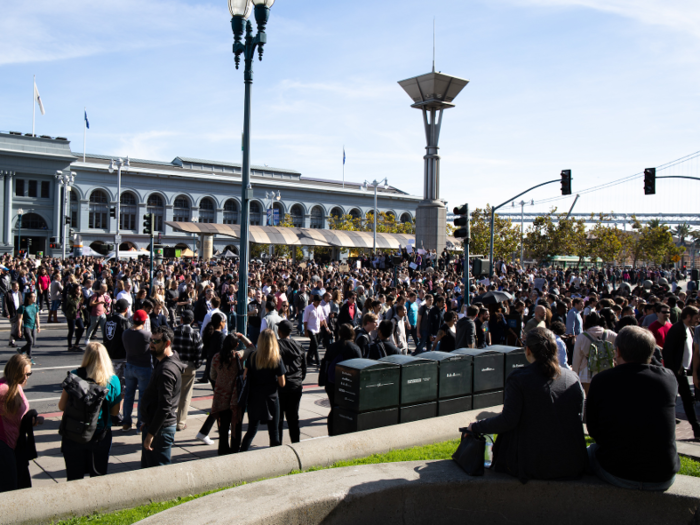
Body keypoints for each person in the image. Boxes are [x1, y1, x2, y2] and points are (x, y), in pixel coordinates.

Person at [469, 327, 587, 483]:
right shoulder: (572, 377)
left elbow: (508, 420)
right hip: (571, 461)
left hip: (533, 464)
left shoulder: (519, 378)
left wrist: (475, 427)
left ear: (528, 350)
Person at [587, 326, 679, 490]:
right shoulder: (668, 379)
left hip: (616, 471)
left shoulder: (602, 380)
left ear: (618, 352)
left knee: (590, 451)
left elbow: (593, 430)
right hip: (662, 474)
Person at [58, 342, 121, 481]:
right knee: (98, 477)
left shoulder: (74, 376)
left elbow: (62, 406)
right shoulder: (113, 380)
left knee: (74, 478)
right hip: (100, 434)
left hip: (74, 432)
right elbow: (115, 413)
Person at [141, 326, 185, 468]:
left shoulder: (166, 371)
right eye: (151, 340)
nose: (151, 344)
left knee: (159, 472)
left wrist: (151, 434)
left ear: (167, 343)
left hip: (161, 430)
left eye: (156, 341)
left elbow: (164, 406)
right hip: (155, 424)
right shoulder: (165, 360)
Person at [240, 329, 286, 451]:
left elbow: (245, 376)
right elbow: (282, 383)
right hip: (271, 398)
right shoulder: (276, 358)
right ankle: (275, 457)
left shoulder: (252, 356)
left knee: (251, 430)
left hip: (254, 397)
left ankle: (241, 453)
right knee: (274, 431)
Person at [0, 354, 41, 493]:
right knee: (9, 487)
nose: (26, 377)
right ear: (14, 372)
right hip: (3, 445)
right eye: (24, 374)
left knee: (19, 484)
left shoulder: (16, 385)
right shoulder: (3, 389)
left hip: (15, 444)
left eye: (29, 373)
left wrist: (30, 420)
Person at [662, 305, 700, 440]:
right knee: (685, 400)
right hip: (677, 372)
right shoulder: (677, 329)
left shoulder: (688, 329)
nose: (697, 320)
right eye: (696, 317)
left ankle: (696, 429)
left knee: (686, 400)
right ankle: (696, 428)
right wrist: (674, 370)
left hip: (682, 371)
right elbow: (668, 351)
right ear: (688, 316)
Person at [322, 323, 362, 436]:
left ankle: (332, 431)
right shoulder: (355, 348)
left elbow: (326, 365)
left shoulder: (332, 347)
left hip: (332, 383)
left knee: (334, 408)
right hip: (348, 385)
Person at [210, 333, 244, 455]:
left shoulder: (216, 358)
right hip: (235, 395)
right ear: (236, 345)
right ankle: (235, 448)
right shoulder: (238, 356)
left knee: (223, 426)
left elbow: (212, 376)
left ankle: (223, 449)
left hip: (221, 395)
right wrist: (242, 337)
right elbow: (251, 348)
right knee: (236, 423)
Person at [196, 313, 227, 445]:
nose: (225, 323)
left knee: (220, 402)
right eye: (224, 321)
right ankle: (204, 432)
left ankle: (222, 428)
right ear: (221, 323)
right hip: (217, 373)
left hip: (210, 371)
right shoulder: (221, 337)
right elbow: (222, 356)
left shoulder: (211, 335)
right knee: (219, 403)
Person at [172, 310, 204, 432]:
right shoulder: (195, 334)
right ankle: (180, 422)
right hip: (189, 365)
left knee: (172, 393)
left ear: (181, 319)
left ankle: (168, 419)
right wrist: (196, 365)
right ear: (192, 321)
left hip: (174, 365)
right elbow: (199, 352)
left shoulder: (174, 332)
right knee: (185, 395)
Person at [571, 311, 617, 394]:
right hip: (607, 369)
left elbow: (577, 357)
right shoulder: (611, 334)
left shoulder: (582, 336)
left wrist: (575, 374)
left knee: (590, 397)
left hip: (587, 371)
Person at [121, 310, 152, 432]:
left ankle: (126, 421)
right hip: (143, 367)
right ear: (144, 321)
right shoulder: (146, 335)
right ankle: (140, 423)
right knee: (142, 396)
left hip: (130, 365)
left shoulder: (125, 333)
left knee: (129, 394)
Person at [277, 320, 306, 444]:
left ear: (279, 332)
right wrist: (298, 379)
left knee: (278, 419)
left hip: (280, 385)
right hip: (295, 385)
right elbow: (304, 368)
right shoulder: (298, 346)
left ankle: (277, 444)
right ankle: (296, 442)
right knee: (293, 417)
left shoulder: (276, 345)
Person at [17, 291, 40, 365]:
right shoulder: (23, 307)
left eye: (35, 296)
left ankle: (22, 350)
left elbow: (37, 317)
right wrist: (19, 330)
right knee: (30, 341)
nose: (34, 298)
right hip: (26, 326)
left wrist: (38, 326)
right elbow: (20, 319)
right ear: (28, 298)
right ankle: (29, 358)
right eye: (32, 297)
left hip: (33, 326)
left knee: (33, 342)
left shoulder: (35, 306)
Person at [303, 294, 325, 366]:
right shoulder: (308, 308)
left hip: (317, 329)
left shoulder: (320, 308)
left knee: (313, 345)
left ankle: (308, 359)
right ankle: (318, 361)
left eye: (320, 302)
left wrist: (325, 327)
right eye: (317, 302)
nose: (319, 304)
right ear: (314, 301)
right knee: (315, 345)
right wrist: (306, 330)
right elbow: (305, 320)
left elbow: (322, 318)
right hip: (310, 329)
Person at [64, 283, 85, 352]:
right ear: (74, 289)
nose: (79, 291)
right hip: (71, 316)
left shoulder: (80, 296)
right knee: (71, 330)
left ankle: (76, 344)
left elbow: (80, 304)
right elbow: (74, 304)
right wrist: (78, 297)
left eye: (80, 289)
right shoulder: (70, 296)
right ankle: (70, 346)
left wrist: (82, 306)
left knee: (81, 328)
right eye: (78, 289)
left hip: (78, 315)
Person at [4, 282, 23, 348]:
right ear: (12, 287)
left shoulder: (19, 293)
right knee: (14, 326)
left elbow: (21, 302)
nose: (17, 287)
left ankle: (12, 340)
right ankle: (12, 341)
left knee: (17, 326)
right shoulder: (8, 294)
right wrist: (7, 313)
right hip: (12, 313)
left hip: (19, 312)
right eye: (15, 286)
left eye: (18, 286)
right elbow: (5, 304)